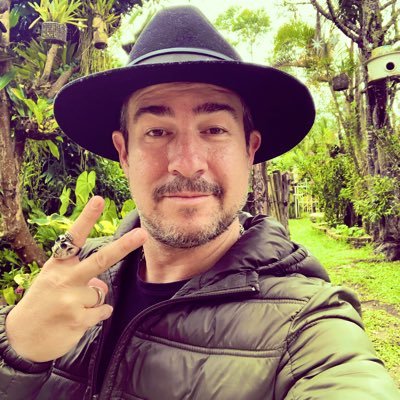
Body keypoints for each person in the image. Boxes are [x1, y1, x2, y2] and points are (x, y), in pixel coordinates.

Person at [0, 5, 398, 400]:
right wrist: (18, 353)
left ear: (249, 149)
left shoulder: (307, 326)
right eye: (157, 131)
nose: (187, 163)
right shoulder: (74, 281)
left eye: (214, 129)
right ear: (123, 152)